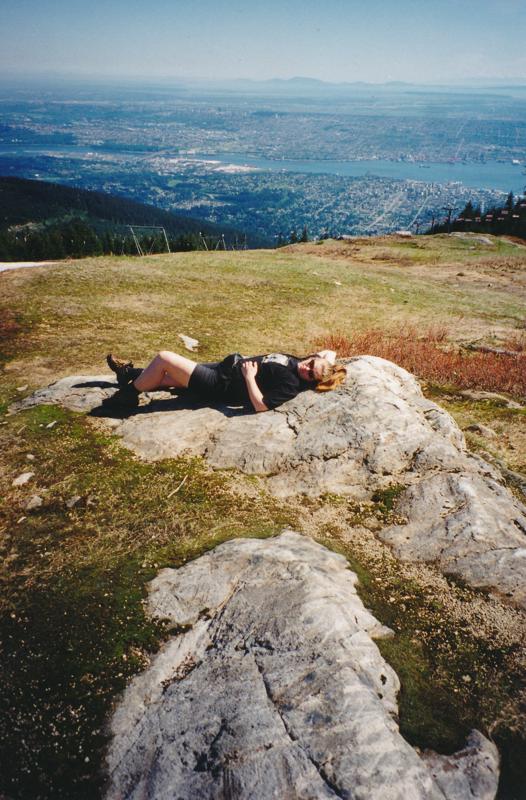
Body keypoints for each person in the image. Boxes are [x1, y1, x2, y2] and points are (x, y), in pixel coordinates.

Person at [106, 348, 346, 413]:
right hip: (224, 370)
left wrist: (250, 378)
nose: (306, 368)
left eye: (311, 373)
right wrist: (331, 367)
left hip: (221, 384)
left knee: (164, 359)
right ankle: (128, 375)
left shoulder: (292, 385)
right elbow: (329, 352)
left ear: (311, 381)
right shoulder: (305, 363)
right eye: (311, 363)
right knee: (168, 377)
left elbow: (262, 405)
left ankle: (127, 395)